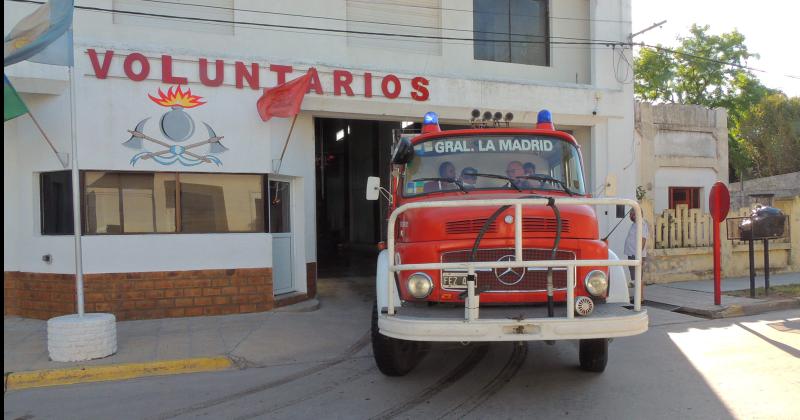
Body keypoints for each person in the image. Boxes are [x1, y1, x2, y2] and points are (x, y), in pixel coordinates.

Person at [624, 210, 649, 289]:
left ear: (637, 214)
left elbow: (643, 239)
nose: (630, 216)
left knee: (638, 278)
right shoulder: (635, 224)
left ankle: (640, 299)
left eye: (631, 214)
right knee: (635, 278)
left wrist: (638, 254)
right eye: (630, 214)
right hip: (631, 253)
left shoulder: (641, 224)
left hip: (636, 255)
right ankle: (637, 297)